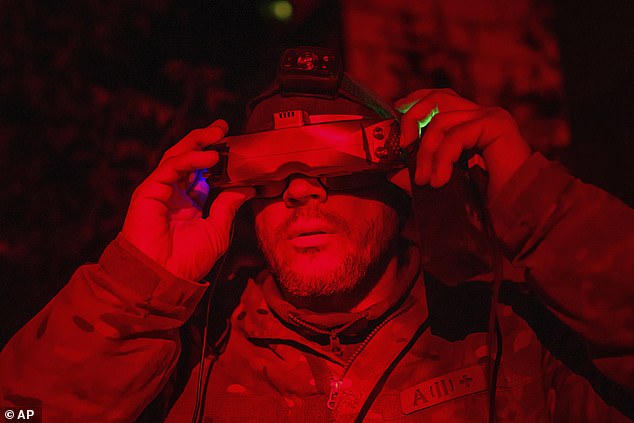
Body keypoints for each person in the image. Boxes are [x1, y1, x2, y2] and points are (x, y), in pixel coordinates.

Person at [0, 47, 632, 423]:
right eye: (270, 170)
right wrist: (133, 287)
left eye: (333, 161)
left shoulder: (511, 337)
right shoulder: (186, 357)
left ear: (400, 178)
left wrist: (538, 204)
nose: (301, 190)